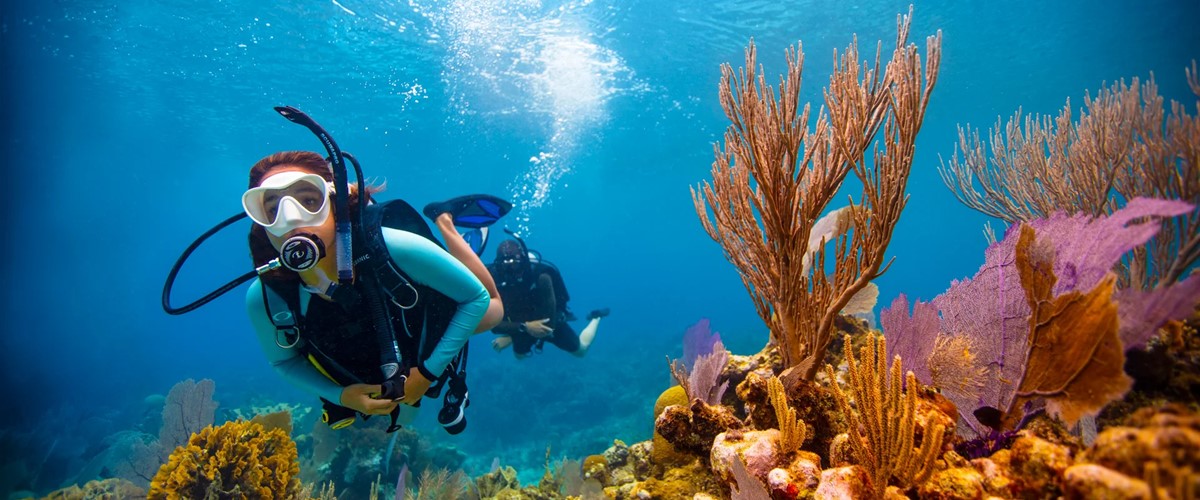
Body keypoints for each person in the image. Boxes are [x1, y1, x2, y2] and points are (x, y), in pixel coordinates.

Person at [243, 150, 506, 433]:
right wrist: (342, 396)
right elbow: (283, 360)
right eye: (272, 209)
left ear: (335, 205)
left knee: (493, 310)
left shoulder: (396, 247)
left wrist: (428, 373)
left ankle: (445, 222)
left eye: (309, 201)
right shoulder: (266, 298)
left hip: (425, 318)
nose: (290, 219)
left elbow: (475, 298)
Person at [486, 238, 609, 359]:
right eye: (505, 266)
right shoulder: (492, 278)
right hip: (522, 325)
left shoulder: (542, 277)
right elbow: (490, 323)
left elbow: (548, 324)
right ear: (498, 265)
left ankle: (596, 317)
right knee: (519, 356)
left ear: (523, 261)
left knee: (581, 351)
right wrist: (523, 328)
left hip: (549, 320)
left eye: (515, 264)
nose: (511, 271)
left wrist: (513, 336)